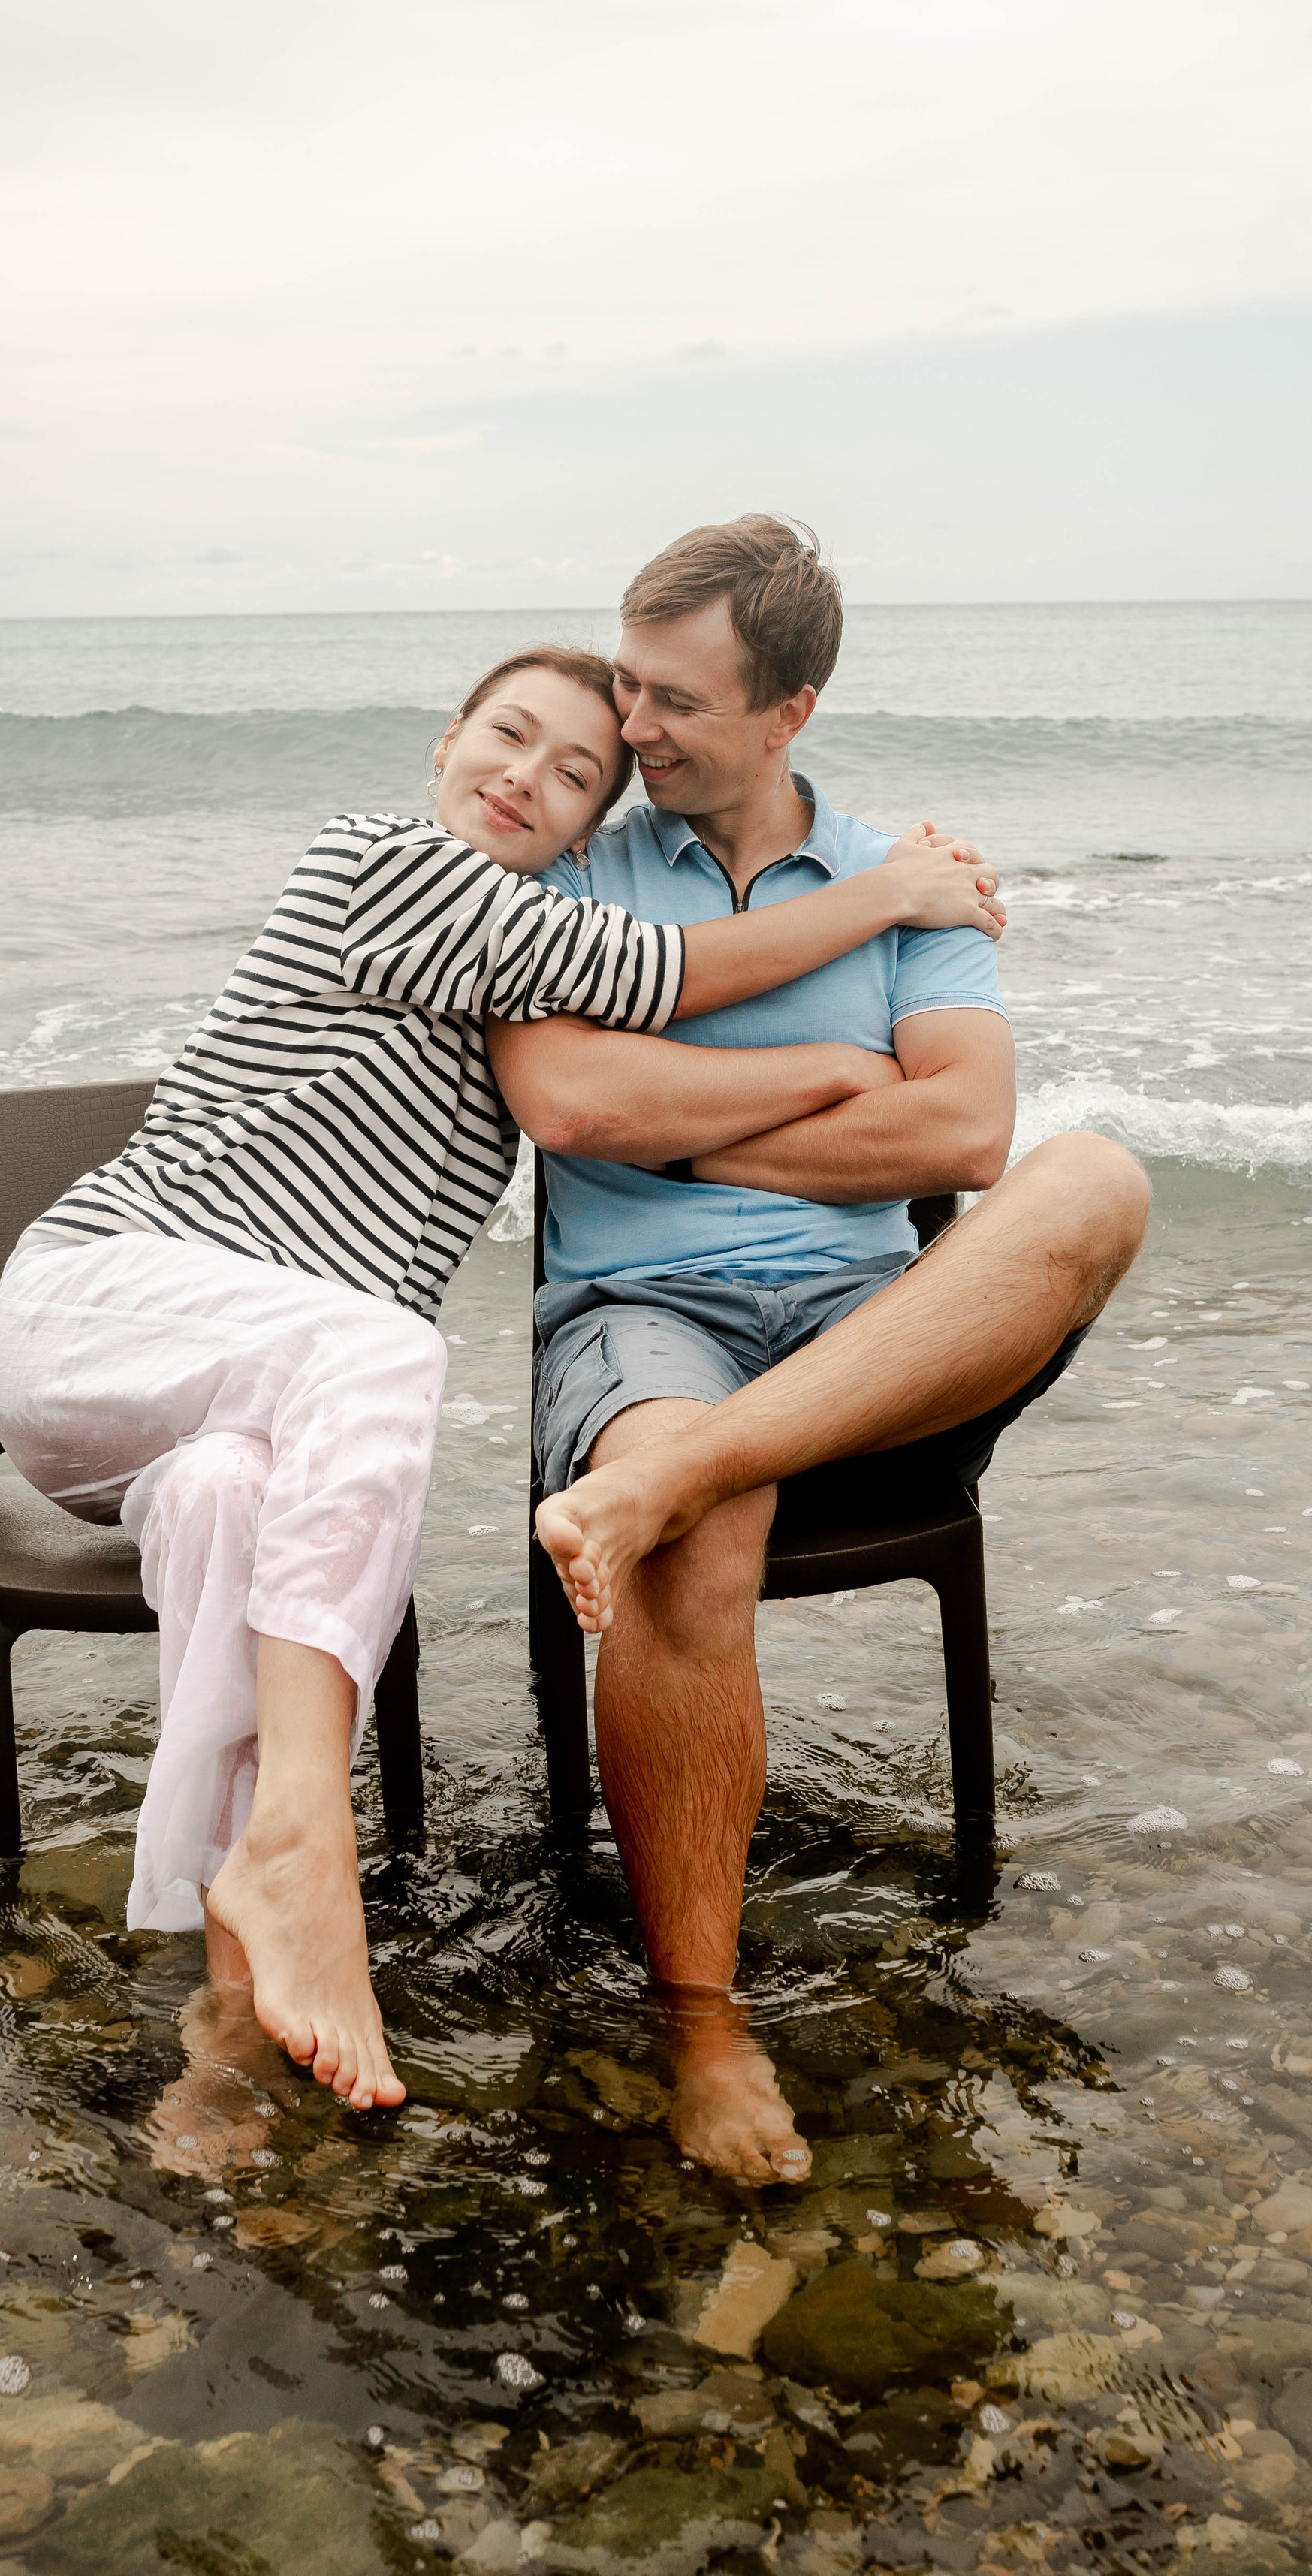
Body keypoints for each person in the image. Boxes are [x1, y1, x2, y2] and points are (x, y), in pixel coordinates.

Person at [0, 643, 1006, 2144]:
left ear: (585, 832)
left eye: (574, 774)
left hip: (206, 1412)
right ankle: (311, 1848)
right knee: (384, 1347)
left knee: (231, 1507)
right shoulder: (377, 866)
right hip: (95, 1314)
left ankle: (225, 2020)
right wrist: (881, 917)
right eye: (507, 736)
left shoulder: (511, 958)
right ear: (446, 739)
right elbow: (652, 979)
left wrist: (829, 1064)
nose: (524, 775)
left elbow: (615, 1049)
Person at [487, 521, 1152, 2186]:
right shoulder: (568, 865)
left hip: (870, 1330)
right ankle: (703, 2024)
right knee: (697, 1531)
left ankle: (685, 1470)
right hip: (641, 1324)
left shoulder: (909, 878)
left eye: (676, 701)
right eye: (625, 686)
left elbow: (973, 1130)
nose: (632, 730)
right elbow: (572, 1104)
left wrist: (684, 1135)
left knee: (1096, 1179)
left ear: (787, 709)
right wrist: (834, 1093)